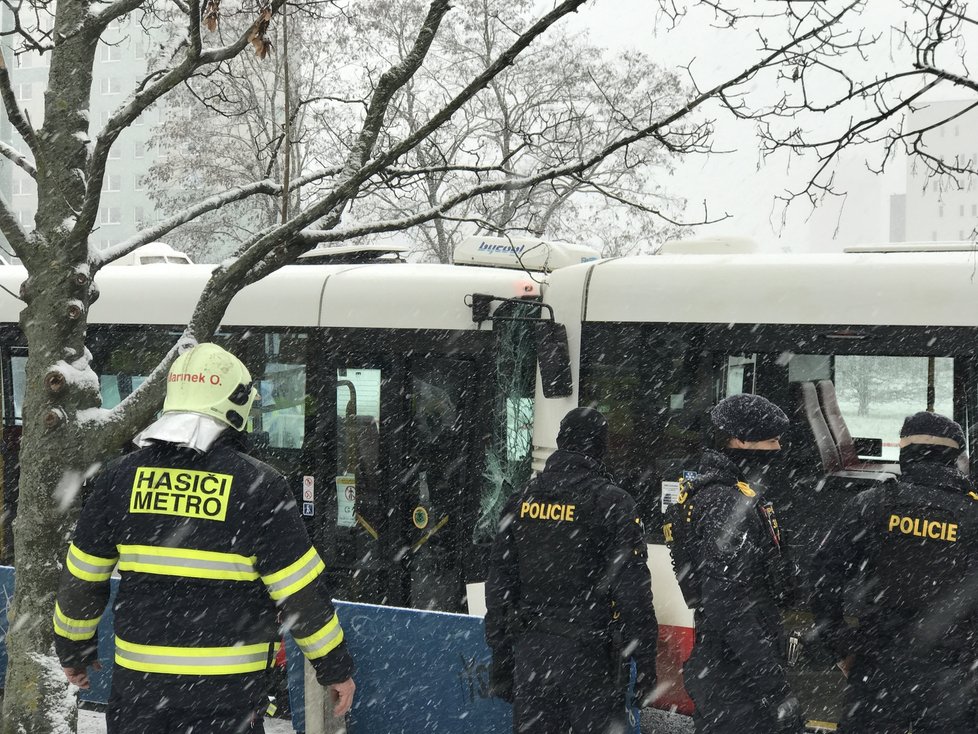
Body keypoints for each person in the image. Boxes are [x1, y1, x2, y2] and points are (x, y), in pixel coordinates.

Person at [54, 343, 355, 733]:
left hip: (139, 699)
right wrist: (334, 668)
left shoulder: (118, 478)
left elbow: (81, 580)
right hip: (227, 702)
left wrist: (74, 649)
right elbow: (300, 593)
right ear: (237, 404)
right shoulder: (259, 486)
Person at [485, 406, 657, 734]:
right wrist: (646, 666)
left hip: (532, 656)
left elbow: (498, 586)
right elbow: (633, 595)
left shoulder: (521, 501)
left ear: (561, 441)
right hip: (590, 660)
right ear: (601, 448)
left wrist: (502, 656)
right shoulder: (613, 504)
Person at [811, 411, 978, 733]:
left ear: (904, 454)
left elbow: (825, 575)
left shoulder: (871, 504)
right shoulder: (972, 514)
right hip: (956, 671)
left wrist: (839, 644)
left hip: (878, 664)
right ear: (957, 457)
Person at [666, 393, 802, 734]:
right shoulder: (725, 504)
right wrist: (776, 688)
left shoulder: (731, 492)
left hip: (732, 670)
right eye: (771, 440)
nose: (777, 448)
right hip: (733, 677)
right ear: (740, 440)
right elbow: (727, 607)